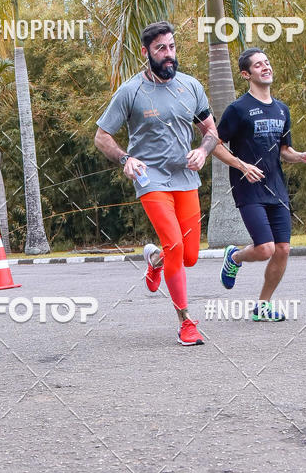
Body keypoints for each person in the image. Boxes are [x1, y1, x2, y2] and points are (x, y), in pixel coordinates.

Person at [94, 22, 219, 345]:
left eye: (172, 47)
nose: (168, 55)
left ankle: (155, 260)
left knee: (188, 255)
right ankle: (186, 321)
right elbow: (102, 136)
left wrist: (203, 152)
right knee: (175, 245)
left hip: (185, 177)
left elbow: (211, 131)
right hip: (151, 180)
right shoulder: (130, 91)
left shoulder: (191, 86)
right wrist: (126, 159)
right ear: (146, 52)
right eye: (161, 48)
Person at [213, 48, 306, 321]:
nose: (266, 67)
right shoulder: (237, 109)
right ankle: (234, 257)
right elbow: (215, 144)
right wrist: (241, 165)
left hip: (276, 186)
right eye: (258, 65)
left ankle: (263, 305)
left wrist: (301, 156)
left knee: (283, 249)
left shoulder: (282, 109)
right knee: (265, 248)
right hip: (248, 186)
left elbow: (284, 150)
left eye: (267, 63)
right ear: (246, 74)